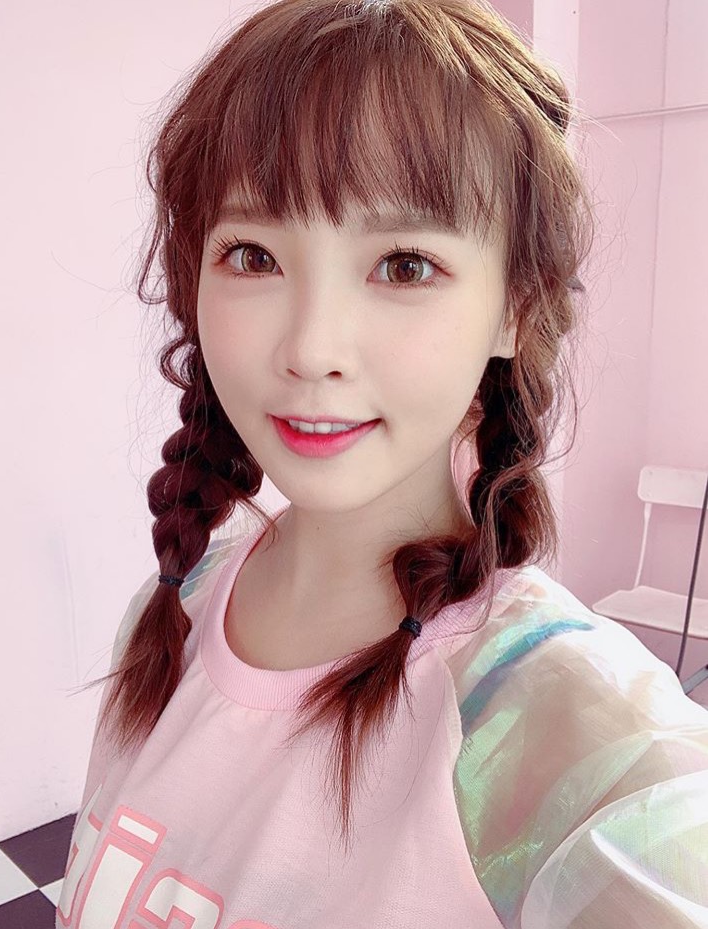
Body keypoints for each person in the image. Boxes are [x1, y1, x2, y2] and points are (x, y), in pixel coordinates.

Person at [57, 0, 708, 926]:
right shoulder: (172, 607)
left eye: (403, 265)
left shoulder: (559, 734)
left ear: (516, 307)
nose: (311, 347)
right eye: (253, 254)